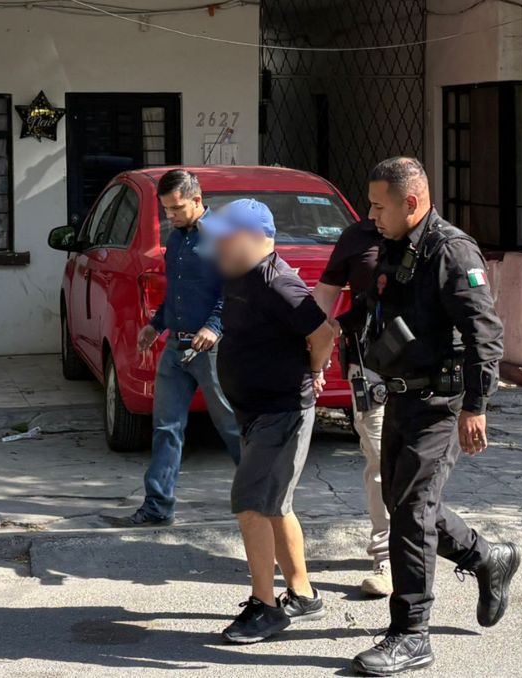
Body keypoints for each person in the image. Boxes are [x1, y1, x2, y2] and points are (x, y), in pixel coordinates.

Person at [346, 157, 520, 675]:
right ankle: (487, 558)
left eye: (378, 206)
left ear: (411, 202)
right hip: (400, 397)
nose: (371, 215)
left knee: (413, 513)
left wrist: (476, 406)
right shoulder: (398, 245)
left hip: (440, 405)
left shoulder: (451, 251)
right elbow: (377, 307)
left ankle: (411, 634)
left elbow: (485, 335)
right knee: (404, 505)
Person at [203, 198, 338, 644]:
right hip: (255, 411)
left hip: (282, 413)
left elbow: (323, 332)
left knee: (250, 504)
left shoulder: (280, 282)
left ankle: (265, 607)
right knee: (275, 504)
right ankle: (304, 595)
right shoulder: (237, 275)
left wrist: (315, 369)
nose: (217, 244)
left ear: (253, 237)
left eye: (224, 237)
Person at [112, 169, 241, 527]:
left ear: (197, 200)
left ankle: (261, 499)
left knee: (232, 426)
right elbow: (176, 293)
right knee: (166, 428)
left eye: (177, 208)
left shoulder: (222, 237)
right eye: (166, 209)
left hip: (211, 350)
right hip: (175, 347)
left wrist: (214, 326)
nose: (170, 215)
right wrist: (155, 325)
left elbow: (233, 290)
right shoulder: (177, 238)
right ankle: (157, 506)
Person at [312, 219, 392, 597]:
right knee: (380, 458)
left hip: (423, 370)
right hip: (369, 367)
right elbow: (324, 296)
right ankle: (387, 556)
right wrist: (313, 350)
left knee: (416, 463)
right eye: (371, 203)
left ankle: (420, 542)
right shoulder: (357, 237)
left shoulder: (431, 237)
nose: (375, 212)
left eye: (381, 203)